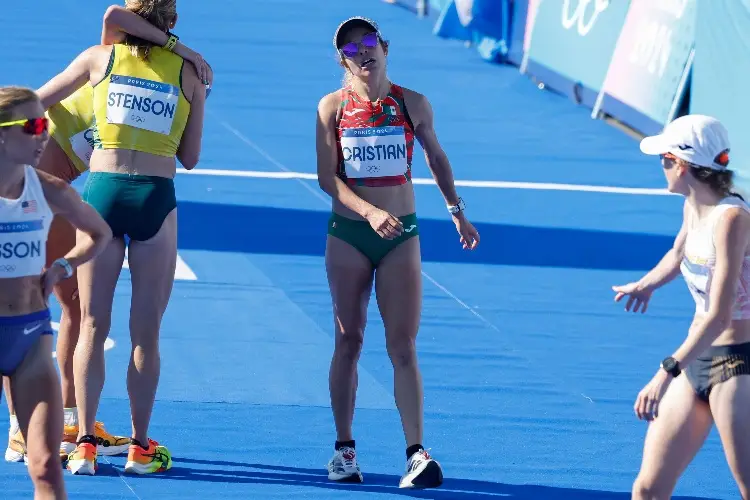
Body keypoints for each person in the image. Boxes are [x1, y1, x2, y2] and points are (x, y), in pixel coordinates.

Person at [3, 3, 212, 466]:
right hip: (110, 192)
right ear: (170, 25)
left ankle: (75, 435)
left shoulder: (103, 57)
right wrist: (186, 58)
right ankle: (109, 439)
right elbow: (191, 157)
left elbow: (39, 99)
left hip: (89, 190)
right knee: (125, 328)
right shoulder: (173, 68)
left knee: (81, 317)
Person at [315, 16, 480, 489]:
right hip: (350, 234)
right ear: (342, 61)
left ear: (384, 47)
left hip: (401, 235)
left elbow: (436, 157)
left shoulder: (412, 103)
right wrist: (368, 213)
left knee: (403, 345)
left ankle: (416, 454)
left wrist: (456, 211)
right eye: (350, 48)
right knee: (349, 341)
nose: (361, 52)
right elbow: (329, 179)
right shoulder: (331, 107)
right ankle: (344, 451)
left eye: (368, 42)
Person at [612, 115, 750, 499]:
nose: (661, 166)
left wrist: (666, 372)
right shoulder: (695, 203)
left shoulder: (732, 220)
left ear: (683, 165)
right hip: (697, 362)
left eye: (665, 158)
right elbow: (677, 254)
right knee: (649, 489)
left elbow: (720, 314)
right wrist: (645, 285)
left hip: (738, 367)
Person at [0, 85, 112, 499]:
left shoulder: (48, 188)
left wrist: (63, 266)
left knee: (46, 467)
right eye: (32, 125)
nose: (45, 134)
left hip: (30, 339)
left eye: (45, 124)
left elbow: (99, 233)